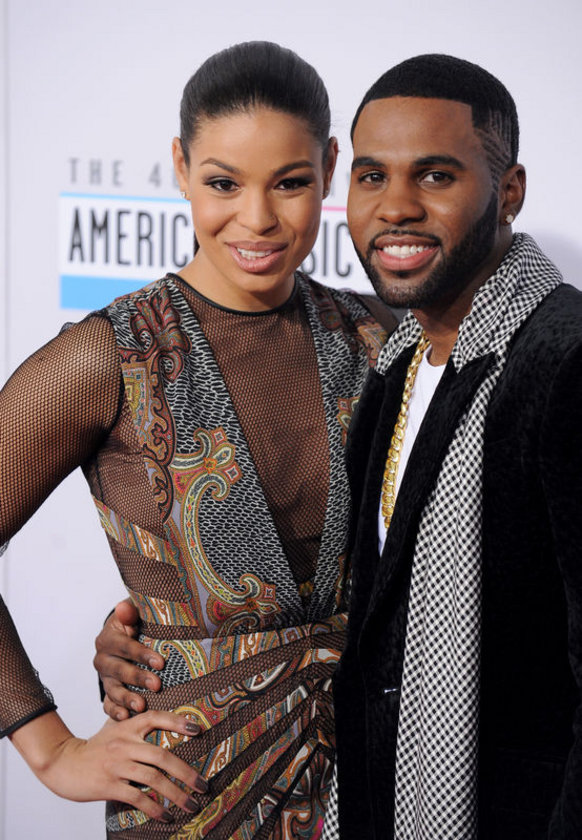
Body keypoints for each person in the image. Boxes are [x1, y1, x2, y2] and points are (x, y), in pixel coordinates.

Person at [0, 42, 395, 839]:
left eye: (289, 183)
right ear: (180, 167)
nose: (257, 219)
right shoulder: (108, 356)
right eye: (223, 183)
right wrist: (51, 749)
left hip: (378, 773)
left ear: (329, 168)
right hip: (190, 797)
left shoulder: (379, 338)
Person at [326, 54, 582, 840]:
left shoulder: (564, 360)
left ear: (509, 192)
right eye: (372, 176)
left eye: (435, 176)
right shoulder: (394, 363)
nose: (395, 207)